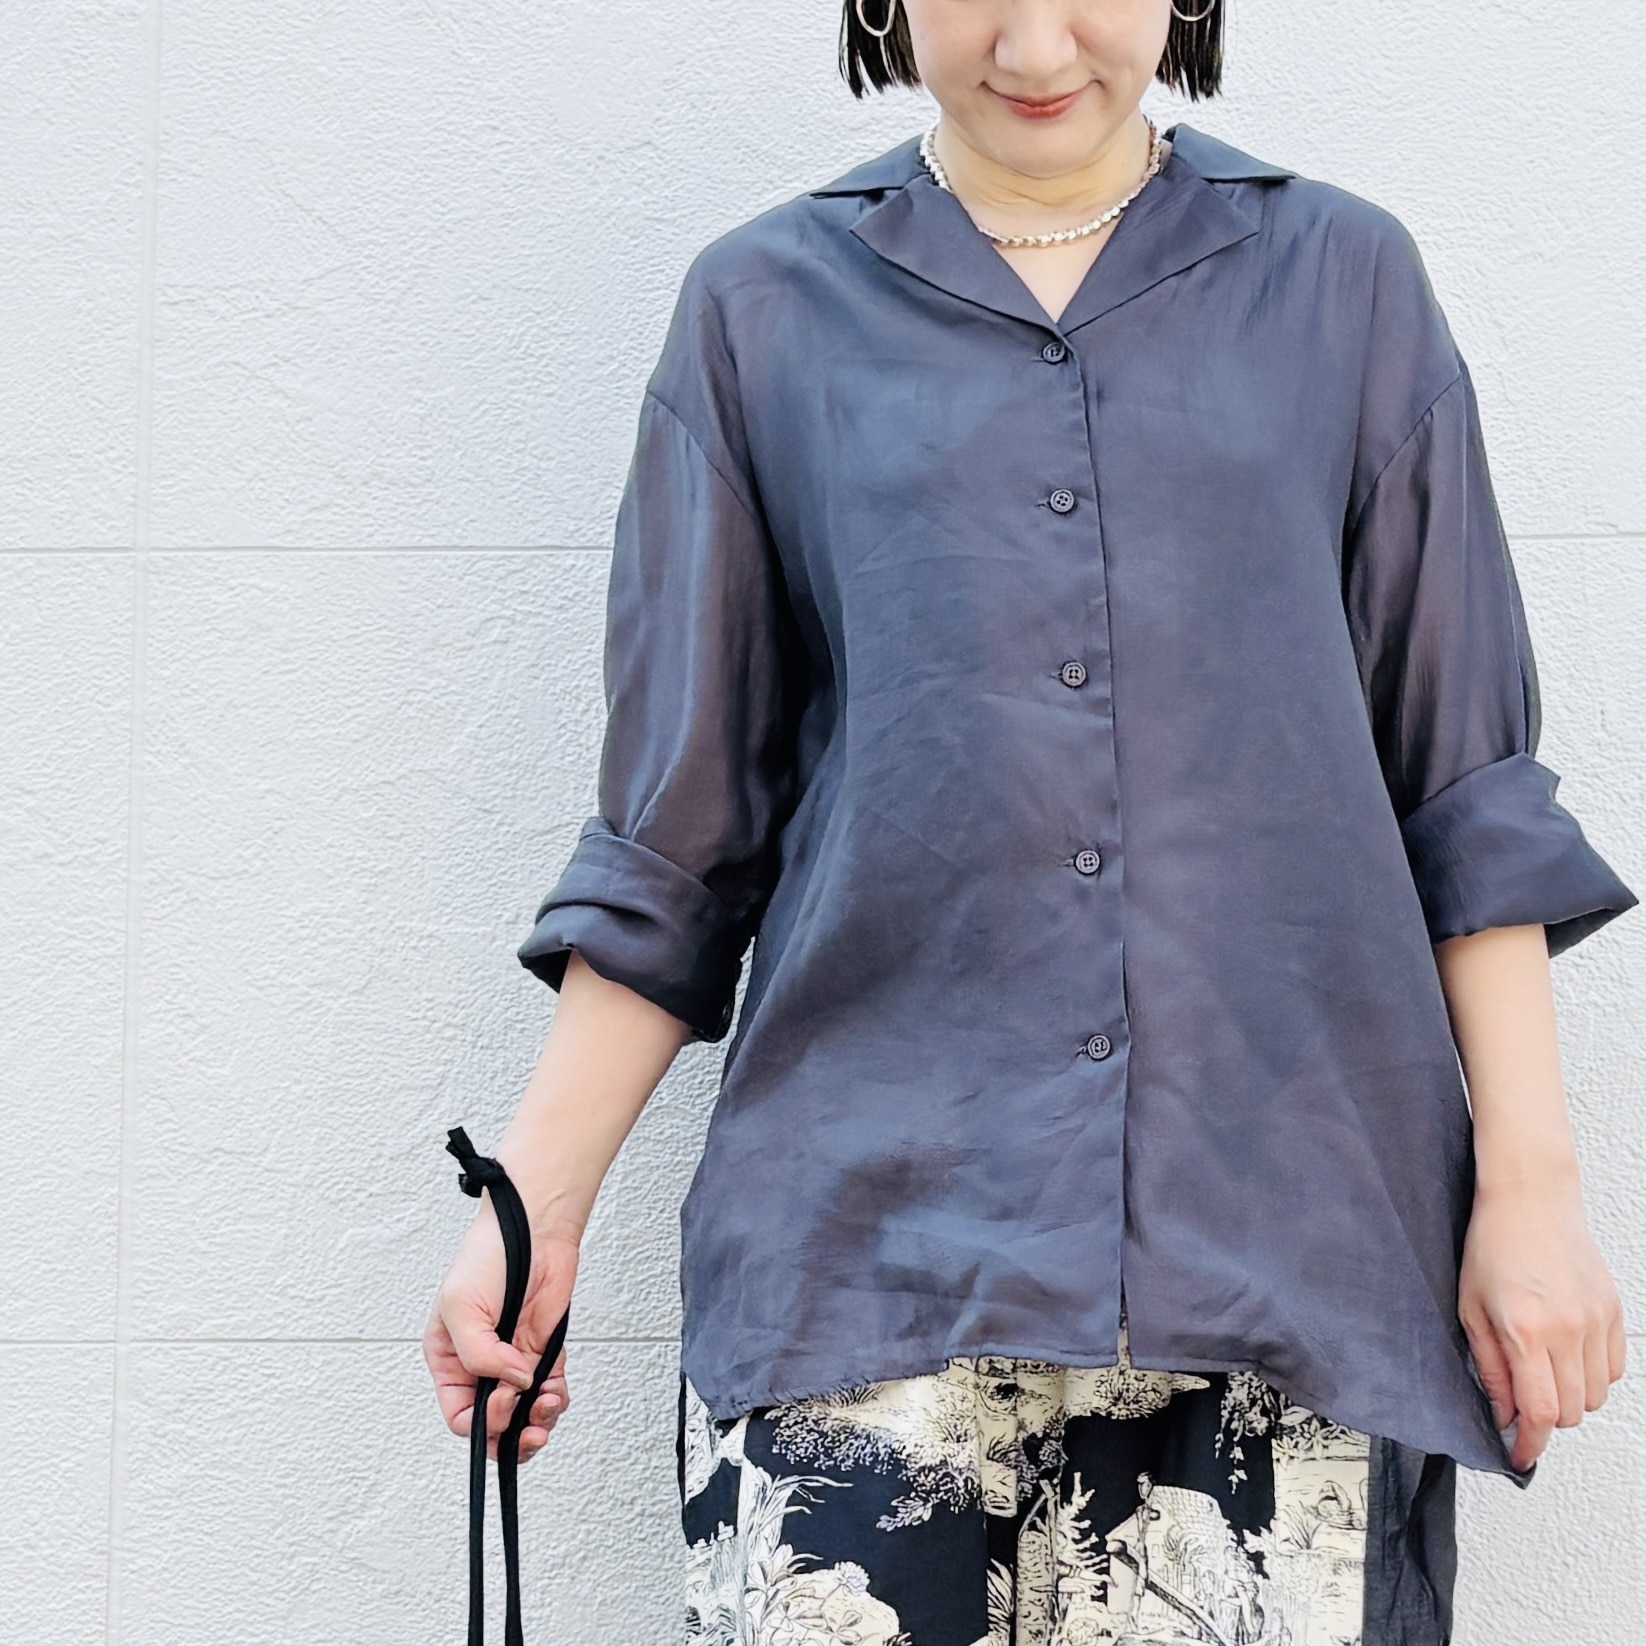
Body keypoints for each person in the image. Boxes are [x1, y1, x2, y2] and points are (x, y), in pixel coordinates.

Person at [425, 1, 1638, 1639]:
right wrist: (534, 1210)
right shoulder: (758, 312)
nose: (1038, 43)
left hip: (1289, 1268)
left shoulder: (1343, 286)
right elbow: (677, 843)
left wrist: (1531, 1188)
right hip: (861, 1289)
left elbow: (1461, 780)